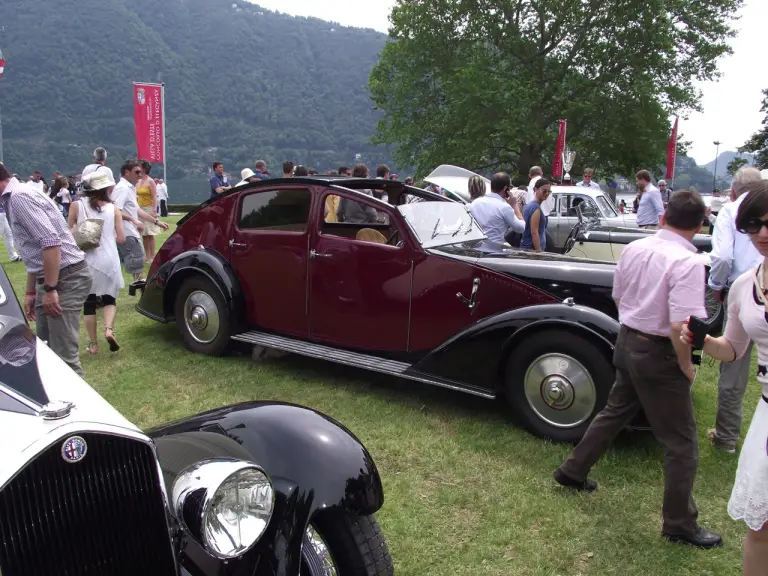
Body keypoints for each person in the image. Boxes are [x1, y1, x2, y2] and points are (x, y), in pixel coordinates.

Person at [555, 189, 723, 549]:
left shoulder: (634, 248)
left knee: (614, 412)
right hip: (659, 352)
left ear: (663, 218)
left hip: (628, 339)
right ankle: (679, 523)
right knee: (681, 443)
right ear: (700, 223)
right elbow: (682, 326)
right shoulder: (689, 263)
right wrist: (685, 364)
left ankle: (573, 471)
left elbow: (619, 297)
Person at [681, 180, 768, 574]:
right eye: (754, 225)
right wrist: (700, 338)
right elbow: (732, 349)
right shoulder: (744, 286)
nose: (763, 234)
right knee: (761, 527)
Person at [0, 162, 92, 376]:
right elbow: (35, 250)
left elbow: (51, 243)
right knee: (45, 350)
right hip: (51, 278)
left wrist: (50, 289)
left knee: (64, 358)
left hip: (66, 277)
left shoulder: (19, 198)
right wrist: (32, 291)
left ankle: (78, 406)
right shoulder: (17, 195)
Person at [706, 167, 764, 452]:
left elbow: (722, 255)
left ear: (733, 191)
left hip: (742, 290)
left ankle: (727, 436)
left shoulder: (730, 211)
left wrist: (716, 283)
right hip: (751, 284)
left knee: (733, 367)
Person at [68, 170, 125, 355]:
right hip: (109, 258)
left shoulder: (76, 205)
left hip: (86, 258)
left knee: (89, 303)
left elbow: (68, 231)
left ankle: (93, 344)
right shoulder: (114, 208)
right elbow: (121, 238)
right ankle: (109, 330)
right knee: (110, 298)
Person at [112, 160, 167, 284]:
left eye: (141, 172)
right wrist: (133, 220)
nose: (140, 175)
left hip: (130, 229)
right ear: (127, 172)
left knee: (136, 260)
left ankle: (138, 286)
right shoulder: (123, 189)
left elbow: (136, 209)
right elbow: (115, 211)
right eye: (137, 172)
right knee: (137, 258)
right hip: (126, 230)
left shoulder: (129, 188)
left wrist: (157, 222)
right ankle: (140, 287)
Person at [468, 172, 525, 245]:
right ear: (505, 189)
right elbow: (520, 228)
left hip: (476, 249)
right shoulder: (504, 207)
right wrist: (515, 206)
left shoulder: (475, 203)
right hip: (495, 251)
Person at [137, 161, 162, 264]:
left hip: (148, 208)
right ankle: (146, 255)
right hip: (140, 208)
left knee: (150, 233)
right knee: (144, 234)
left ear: (144, 168)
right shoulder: (138, 180)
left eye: (139, 167)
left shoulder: (150, 181)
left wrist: (154, 210)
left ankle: (152, 256)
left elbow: (154, 196)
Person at [520, 179, 551, 252]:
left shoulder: (529, 206)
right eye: (544, 191)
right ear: (536, 189)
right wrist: (538, 251)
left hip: (527, 248)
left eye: (548, 191)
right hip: (531, 249)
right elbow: (534, 232)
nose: (546, 193)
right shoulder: (535, 208)